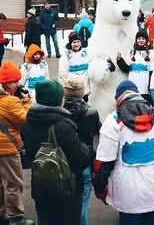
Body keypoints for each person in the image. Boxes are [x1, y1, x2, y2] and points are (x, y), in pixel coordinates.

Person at [92, 80, 154, 225]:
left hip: (126, 192)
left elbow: (103, 163)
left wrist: (100, 190)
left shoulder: (112, 121)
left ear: (118, 99)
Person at [20, 79, 91, 225]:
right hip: (65, 188)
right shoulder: (63, 126)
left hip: (41, 183)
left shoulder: (28, 122)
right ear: (59, 101)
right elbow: (81, 160)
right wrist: (85, 146)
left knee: (45, 219)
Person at [63, 78, 101, 225]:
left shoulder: (59, 111)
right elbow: (98, 130)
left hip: (64, 160)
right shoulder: (91, 112)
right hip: (85, 158)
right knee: (83, 201)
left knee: (63, 201)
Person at [0, 61, 33, 225]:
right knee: (13, 184)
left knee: (0, 183)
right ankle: (16, 217)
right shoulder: (10, 102)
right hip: (7, 150)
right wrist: (26, 102)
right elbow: (25, 122)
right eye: (14, 81)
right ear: (5, 83)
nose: (18, 84)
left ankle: (1, 214)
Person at [117, 30, 154, 103]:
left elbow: (153, 71)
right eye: (139, 38)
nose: (141, 40)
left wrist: (150, 86)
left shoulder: (151, 53)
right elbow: (126, 69)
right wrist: (120, 60)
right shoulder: (132, 53)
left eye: (143, 38)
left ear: (146, 40)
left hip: (144, 86)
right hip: (133, 85)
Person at [58, 32, 91, 102]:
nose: (76, 44)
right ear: (70, 43)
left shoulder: (85, 52)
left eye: (78, 42)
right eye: (74, 42)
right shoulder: (66, 55)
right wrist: (64, 88)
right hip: (73, 88)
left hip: (85, 88)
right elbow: (62, 73)